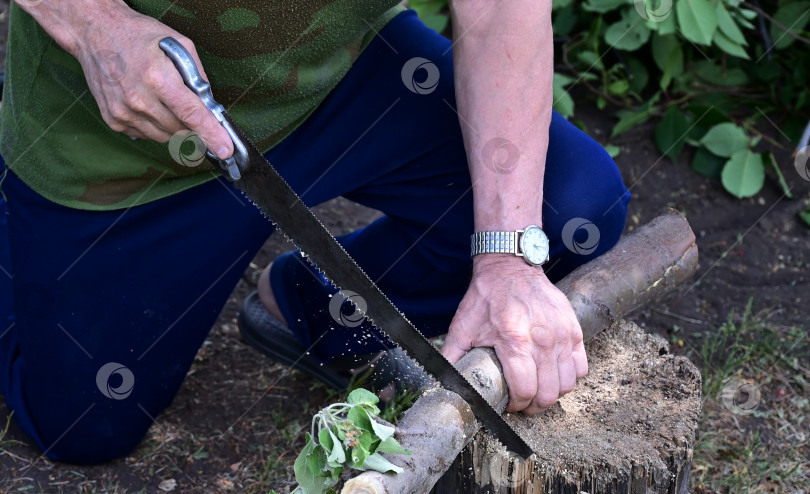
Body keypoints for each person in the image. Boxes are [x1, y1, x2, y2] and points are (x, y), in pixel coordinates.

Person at [0, 0, 630, 464]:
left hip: (334, 79)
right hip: (123, 144)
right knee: (83, 425)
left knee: (569, 212)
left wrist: (507, 262)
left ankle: (315, 306)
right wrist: (92, 23)